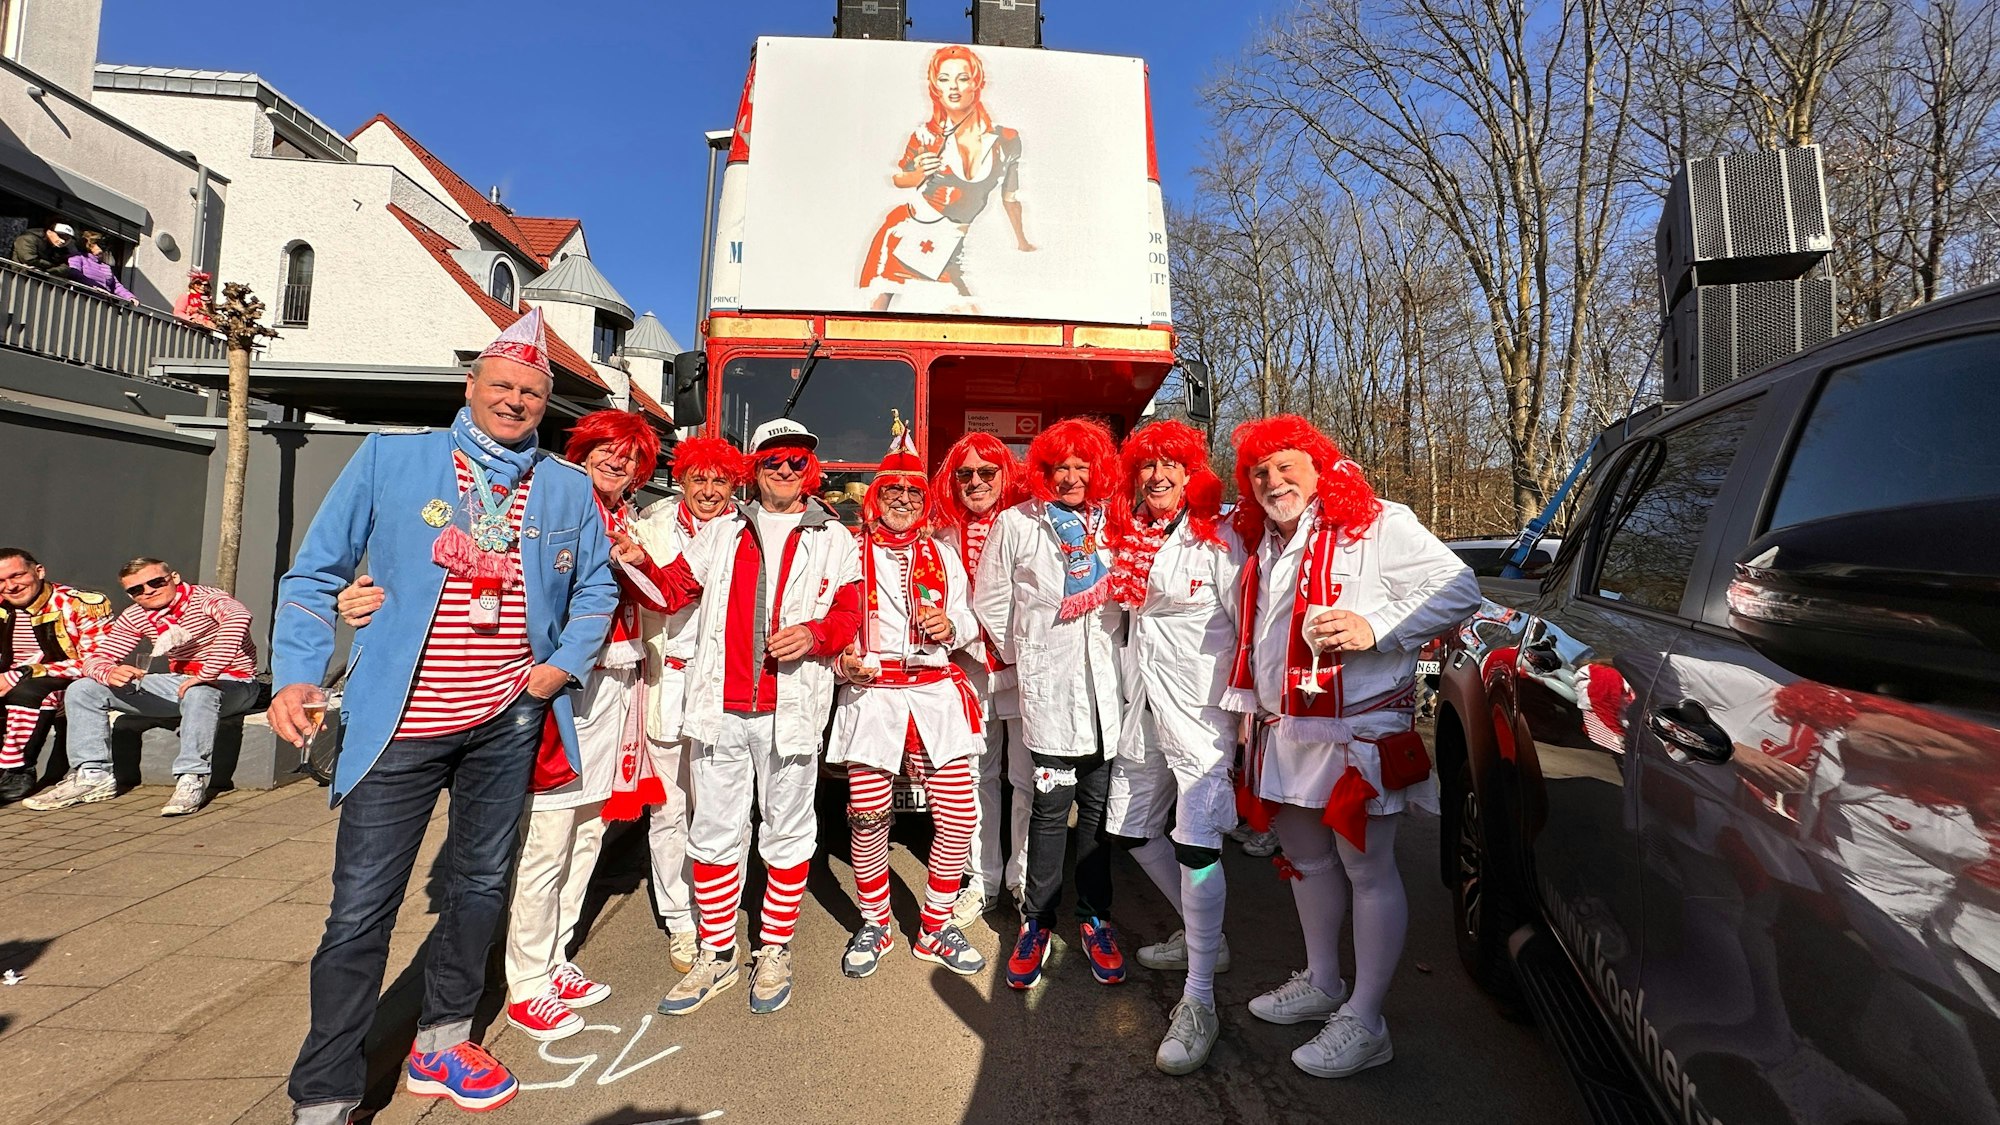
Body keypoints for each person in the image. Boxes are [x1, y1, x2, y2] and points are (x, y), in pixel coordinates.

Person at [265, 308, 618, 1122]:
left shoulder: (565, 485)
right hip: (400, 723)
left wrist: (560, 666)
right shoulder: (394, 458)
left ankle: (444, 1039)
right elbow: (315, 575)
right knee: (361, 908)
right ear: (472, 385)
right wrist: (295, 676)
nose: (517, 401)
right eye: (503, 386)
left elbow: (596, 586)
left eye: (532, 391)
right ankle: (326, 1086)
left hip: (506, 719)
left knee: (481, 884)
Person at [332, 409, 684, 1042]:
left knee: (587, 832)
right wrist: (364, 595)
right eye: (606, 450)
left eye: (630, 457)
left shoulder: (622, 520)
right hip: (559, 688)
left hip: (614, 688)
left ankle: (552, 959)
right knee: (548, 836)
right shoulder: (554, 503)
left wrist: (633, 560)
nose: (617, 463)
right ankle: (524, 980)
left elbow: (667, 595)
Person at [1229, 414, 1478, 1079]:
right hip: (1286, 731)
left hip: (1358, 734)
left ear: (1318, 466)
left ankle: (1367, 1019)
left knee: (1367, 869)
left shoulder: (1376, 522)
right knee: (1306, 861)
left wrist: (1377, 626)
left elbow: (1460, 588)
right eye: (1260, 472)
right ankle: (1324, 980)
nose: (1273, 481)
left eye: (1287, 467)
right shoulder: (1265, 544)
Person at [657, 418, 863, 1017]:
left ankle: (773, 948)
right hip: (720, 709)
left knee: (788, 831)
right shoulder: (721, 530)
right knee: (715, 832)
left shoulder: (834, 536)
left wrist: (817, 633)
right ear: (756, 466)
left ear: (809, 469)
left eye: (796, 461)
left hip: (790, 710)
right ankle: (717, 954)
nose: (785, 469)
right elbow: (673, 587)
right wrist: (631, 557)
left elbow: (851, 610)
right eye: (773, 459)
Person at [1101, 420, 1247, 1074]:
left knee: (1197, 840)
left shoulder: (1220, 538)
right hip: (1144, 710)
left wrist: (1252, 715)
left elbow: (1251, 629)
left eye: (1171, 465)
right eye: (1147, 466)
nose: (1157, 476)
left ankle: (1201, 1000)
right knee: (1130, 827)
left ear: (1191, 473)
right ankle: (1201, 938)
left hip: (1203, 715)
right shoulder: (1133, 537)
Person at [973, 417, 1127, 990]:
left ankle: (1094, 919)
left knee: (1096, 815)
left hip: (1105, 693)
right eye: (1059, 466)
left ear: (1097, 469)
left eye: (1081, 466)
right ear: (1043, 470)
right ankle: (1036, 920)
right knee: (1046, 812)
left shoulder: (1115, 524)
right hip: (1049, 692)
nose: (1070, 477)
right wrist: (1030, 653)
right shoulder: (1018, 523)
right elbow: (990, 600)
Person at [829, 423, 986, 978]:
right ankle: (874, 922)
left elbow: (969, 617)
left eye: (913, 493)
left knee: (959, 818)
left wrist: (953, 624)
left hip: (935, 695)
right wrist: (838, 661)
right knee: (869, 819)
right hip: (872, 698)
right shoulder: (848, 550)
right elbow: (831, 622)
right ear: (875, 498)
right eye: (892, 491)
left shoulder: (942, 553)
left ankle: (936, 925)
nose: (903, 499)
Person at [632, 435, 747, 976]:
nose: (708, 490)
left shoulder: (746, 531)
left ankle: (718, 913)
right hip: (665, 682)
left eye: (719, 480)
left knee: (725, 808)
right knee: (669, 810)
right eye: (698, 479)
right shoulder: (649, 527)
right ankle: (681, 920)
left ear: (733, 483)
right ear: (682, 480)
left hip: (723, 690)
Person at [25, 559, 259, 816]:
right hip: (180, 683)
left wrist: (208, 672)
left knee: (200, 691)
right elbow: (95, 658)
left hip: (234, 682)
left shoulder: (206, 598)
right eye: (136, 589)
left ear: (175, 578)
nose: (148, 591)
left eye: (156, 582)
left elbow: (239, 618)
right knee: (84, 689)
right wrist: (110, 671)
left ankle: (191, 778)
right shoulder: (136, 614)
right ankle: (93, 775)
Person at [929, 432, 1029, 924]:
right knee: (975, 776)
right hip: (967, 667)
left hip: (1026, 669)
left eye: (986, 472)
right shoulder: (940, 536)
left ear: (1005, 475)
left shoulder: (1030, 525)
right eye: (964, 474)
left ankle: (1023, 876)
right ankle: (982, 877)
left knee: (1028, 777)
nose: (975, 482)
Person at [858, 43, 1034, 313]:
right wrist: (918, 173)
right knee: (867, 326)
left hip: (949, 247)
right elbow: (900, 179)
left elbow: (1010, 198)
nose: (953, 87)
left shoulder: (1007, 140)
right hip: (903, 236)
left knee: (972, 325)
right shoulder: (926, 136)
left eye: (963, 78)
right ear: (935, 87)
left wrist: (1022, 241)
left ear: (976, 84)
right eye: (944, 79)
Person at [0, 548, 113, 804]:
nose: (11, 586)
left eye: (17, 575)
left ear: (39, 571)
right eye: (1, 581)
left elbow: (97, 660)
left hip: (68, 682)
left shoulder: (79, 604)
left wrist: (25, 672)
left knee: (30, 693)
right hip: (8, 679)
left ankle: (18, 771)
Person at [64, 231, 137, 303]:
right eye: (99, 244)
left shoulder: (106, 267)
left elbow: (116, 286)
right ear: (89, 245)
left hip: (103, 304)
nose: (103, 248)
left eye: (104, 245)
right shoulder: (78, 257)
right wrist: (95, 287)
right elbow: (74, 273)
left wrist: (129, 297)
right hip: (82, 300)